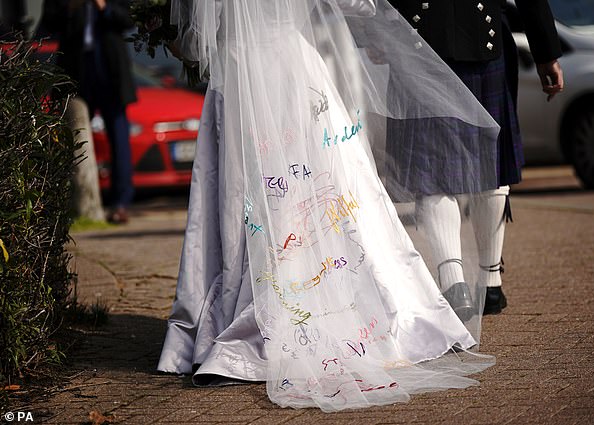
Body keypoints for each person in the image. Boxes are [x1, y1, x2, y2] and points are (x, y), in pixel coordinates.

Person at [158, 0, 501, 411]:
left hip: (238, 77)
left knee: (243, 196)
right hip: (293, 70)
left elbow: (196, 44)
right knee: (332, 188)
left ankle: (240, 308)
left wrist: (167, 30)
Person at [386, 0, 563, 317]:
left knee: (432, 169)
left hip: (417, 41)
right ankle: (491, 283)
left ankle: (455, 286)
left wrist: (378, 35)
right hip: (482, 38)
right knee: (489, 164)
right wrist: (546, 52)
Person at [41, 0, 137, 224]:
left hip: (109, 71)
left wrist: (105, 7)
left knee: (119, 139)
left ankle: (120, 203)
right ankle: (72, 201)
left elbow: (129, 19)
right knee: (72, 139)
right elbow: (48, 22)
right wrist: (70, 8)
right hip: (76, 72)